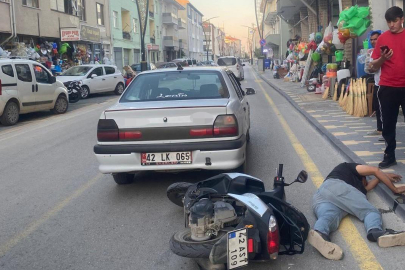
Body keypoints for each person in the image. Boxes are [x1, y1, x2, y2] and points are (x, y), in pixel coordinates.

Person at [308, 162, 405, 260]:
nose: (367, 183)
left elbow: (371, 184)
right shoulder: (348, 167)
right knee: (370, 211)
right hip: (337, 187)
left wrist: (385, 177)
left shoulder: (359, 187)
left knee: (329, 216)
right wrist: (395, 189)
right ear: (363, 176)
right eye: (366, 179)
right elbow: (376, 170)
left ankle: (320, 233)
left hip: (320, 196)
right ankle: (375, 231)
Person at [370, 7, 405, 169]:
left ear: (402, 19)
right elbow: (372, 67)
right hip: (388, 87)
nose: (392, 25)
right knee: (388, 125)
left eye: (395, 21)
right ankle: (389, 155)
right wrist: (382, 59)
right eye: (389, 22)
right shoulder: (383, 38)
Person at [366, 31, 383, 140]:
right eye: (371, 39)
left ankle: (385, 132)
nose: (373, 41)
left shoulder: (384, 51)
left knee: (384, 109)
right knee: (377, 107)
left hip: (385, 83)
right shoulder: (372, 53)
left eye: (375, 39)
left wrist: (373, 66)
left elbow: (374, 67)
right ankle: (379, 129)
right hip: (377, 82)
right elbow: (370, 69)